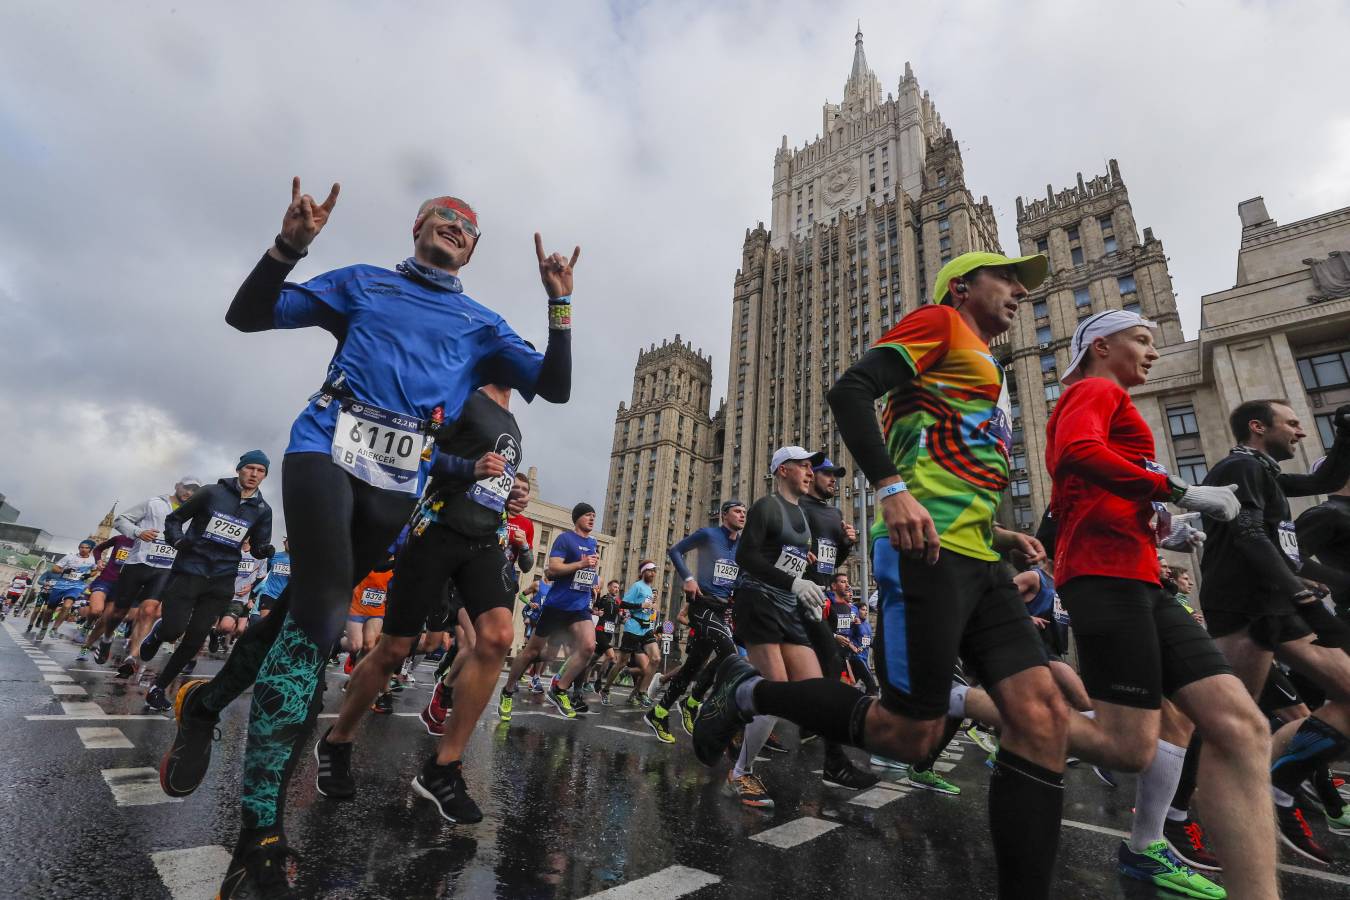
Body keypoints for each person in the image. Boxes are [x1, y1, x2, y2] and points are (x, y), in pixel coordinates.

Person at [150, 181, 575, 896]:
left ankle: (206, 701)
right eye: (443, 218)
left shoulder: (483, 325)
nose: (455, 228)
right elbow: (246, 315)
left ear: (474, 250)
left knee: (300, 616)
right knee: (319, 617)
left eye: (468, 228)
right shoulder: (362, 282)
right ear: (417, 227)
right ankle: (258, 835)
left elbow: (556, 387)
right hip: (325, 447)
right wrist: (289, 247)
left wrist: (559, 302)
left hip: (394, 485)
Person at [696, 252, 1075, 898]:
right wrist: (891, 488)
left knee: (1042, 718)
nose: (1018, 290)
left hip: (978, 556)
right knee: (909, 735)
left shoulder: (987, 365)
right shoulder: (940, 323)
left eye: (1023, 284)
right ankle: (745, 692)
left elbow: (961, 465)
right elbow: (849, 390)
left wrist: (1002, 535)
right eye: (1006, 278)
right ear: (963, 285)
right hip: (924, 554)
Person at [1032, 310, 1273, 896]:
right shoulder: (1093, 389)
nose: (1153, 353)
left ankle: (1156, 850)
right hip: (1102, 577)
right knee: (1127, 745)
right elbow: (1077, 455)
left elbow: (1098, 495)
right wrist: (1179, 489)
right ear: (1100, 345)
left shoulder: (1118, 402)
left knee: (1238, 725)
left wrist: (1165, 525)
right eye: (1142, 340)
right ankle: (974, 707)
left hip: (1142, 576)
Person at [314, 381, 531, 825]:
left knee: (498, 637)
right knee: (395, 648)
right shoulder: (462, 395)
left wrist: (508, 494)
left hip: (484, 539)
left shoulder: (512, 420)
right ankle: (336, 741)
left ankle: (443, 767)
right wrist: (469, 468)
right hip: (435, 530)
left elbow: (490, 478)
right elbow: (417, 451)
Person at [1197, 398, 1350, 865]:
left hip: (1275, 605)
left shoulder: (1266, 472)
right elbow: (1248, 535)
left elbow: (1323, 480)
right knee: (1227, 726)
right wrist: (1299, 590)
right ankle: (1177, 810)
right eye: (1293, 423)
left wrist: (1344, 433)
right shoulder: (1239, 466)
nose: (1300, 432)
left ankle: (1280, 786)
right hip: (1242, 608)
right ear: (1259, 427)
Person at [139, 453, 274, 711]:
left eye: (260, 470)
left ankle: (158, 688)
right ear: (239, 469)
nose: (254, 474)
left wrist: (264, 550)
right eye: (249, 468)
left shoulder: (262, 510)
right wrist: (177, 541)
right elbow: (174, 520)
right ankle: (159, 631)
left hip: (222, 578)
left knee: (195, 638)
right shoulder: (211, 493)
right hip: (191, 568)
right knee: (173, 631)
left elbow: (257, 547)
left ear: (265, 475)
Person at [649, 502, 745, 738]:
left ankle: (659, 712)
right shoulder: (708, 534)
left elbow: (741, 575)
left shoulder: (742, 545)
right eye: (737, 511)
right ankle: (693, 703)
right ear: (724, 514)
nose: (742, 515)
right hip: (702, 606)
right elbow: (675, 551)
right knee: (729, 655)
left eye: (744, 512)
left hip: (722, 610)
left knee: (692, 668)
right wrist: (689, 577)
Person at [500, 504, 598, 721]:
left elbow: (588, 572)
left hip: (580, 607)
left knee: (589, 647)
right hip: (557, 606)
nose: (592, 519)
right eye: (587, 515)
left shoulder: (593, 543)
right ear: (577, 518)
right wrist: (581, 563)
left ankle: (559, 689)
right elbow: (552, 569)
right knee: (531, 652)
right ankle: (507, 690)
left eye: (594, 516)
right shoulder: (565, 539)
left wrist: (594, 582)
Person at [89, 478, 200, 669]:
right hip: (137, 563)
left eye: (194, 491)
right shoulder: (153, 503)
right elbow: (120, 520)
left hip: (164, 568)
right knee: (118, 611)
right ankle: (106, 638)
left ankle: (132, 658)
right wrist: (138, 532)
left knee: (149, 611)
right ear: (177, 485)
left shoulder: (195, 514)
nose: (189, 493)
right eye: (187, 488)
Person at [609, 562, 661, 714]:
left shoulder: (650, 590)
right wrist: (641, 605)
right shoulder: (637, 586)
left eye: (654, 571)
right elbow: (623, 604)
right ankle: (605, 689)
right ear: (643, 572)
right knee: (622, 662)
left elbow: (647, 609)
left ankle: (642, 692)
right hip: (633, 629)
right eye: (650, 571)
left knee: (656, 659)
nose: (653, 573)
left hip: (646, 630)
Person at [75, 534, 134, 659]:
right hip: (105, 579)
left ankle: (85, 648)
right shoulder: (121, 538)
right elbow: (97, 549)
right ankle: (87, 625)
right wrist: (99, 561)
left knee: (105, 620)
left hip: (123, 585)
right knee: (96, 610)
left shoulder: (149, 544)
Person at [32, 540, 97, 640]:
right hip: (61, 585)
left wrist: (88, 575)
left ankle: (54, 629)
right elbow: (54, 568)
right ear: (79, 548)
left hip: (76, 586)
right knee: (49, 610)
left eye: (86, 548)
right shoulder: (70, 557)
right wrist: (64, 570)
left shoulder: (92, 560)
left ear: (90, 549)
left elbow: (94, 571)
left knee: (67, 606)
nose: (83, 549)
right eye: (81, 547)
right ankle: (44, 628)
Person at [250, 538, 291, 625]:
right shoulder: (274, 556)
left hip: (285, 597)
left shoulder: (299, 560)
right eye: (289, 541)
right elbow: (262, 573)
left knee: (279, 624)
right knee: (266, 622)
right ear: (284, 542)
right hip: (269, 593)